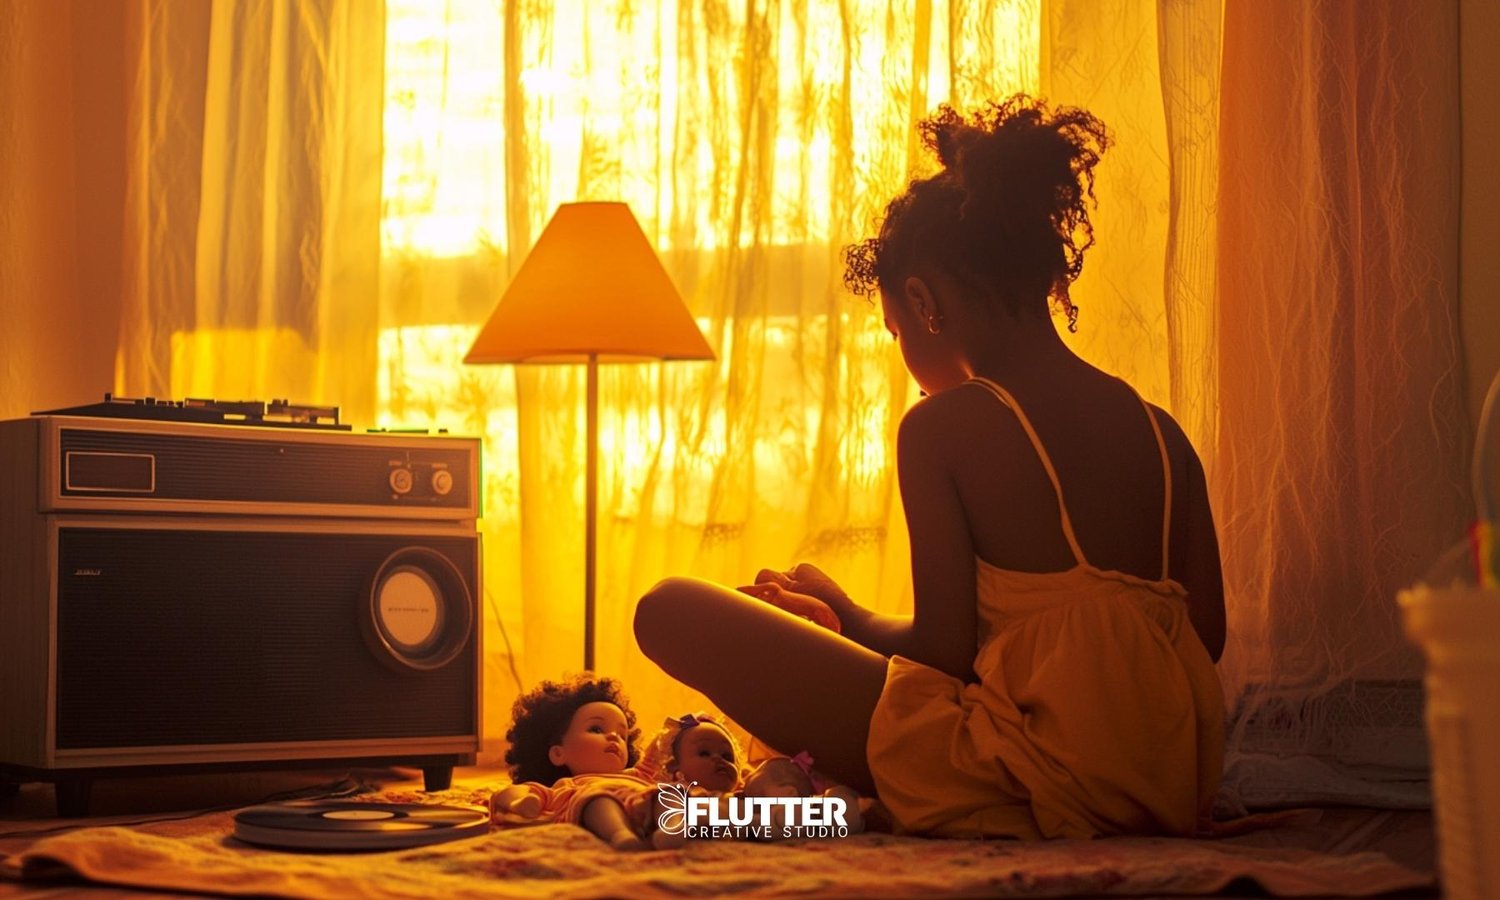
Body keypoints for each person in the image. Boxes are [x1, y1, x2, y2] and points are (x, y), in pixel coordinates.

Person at [634, 94, 1226, 840]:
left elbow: (942, 653)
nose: (907, 363)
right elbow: (1206, 637)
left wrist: (847, 617)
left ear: (923, 302)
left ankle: (778, 810)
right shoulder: (1162, 432)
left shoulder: (943, 426)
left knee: (668, 608)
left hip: (1027, 773)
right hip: (1166, 783)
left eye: (893, 329)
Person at [489, 674, 656, 850]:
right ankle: (621, 835)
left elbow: (658, 753)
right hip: (602, 805)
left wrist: (677, 733)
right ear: (558, 754)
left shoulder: (637, 775)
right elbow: (511, 792)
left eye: (623, 736)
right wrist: (520, 803)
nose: (614, 736)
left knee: (673, 794)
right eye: (596, 729)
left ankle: (675, 832)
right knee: (597, 801)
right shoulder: (566, 787)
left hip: (645, 804)